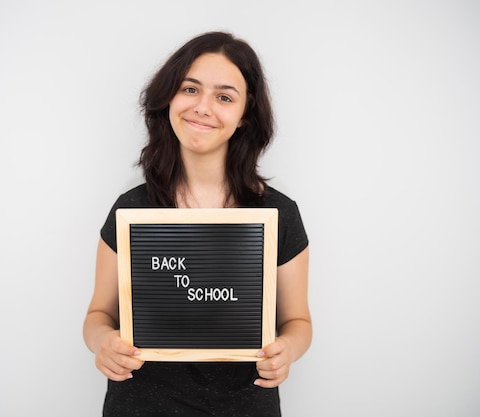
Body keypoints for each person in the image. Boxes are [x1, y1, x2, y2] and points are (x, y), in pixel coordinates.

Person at [83, 31, 311, 416]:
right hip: (141, 405)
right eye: (190, 89)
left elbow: (297, 321)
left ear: (244, 115)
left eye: (224, 97)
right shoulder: (132, 211)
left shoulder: (277, 215)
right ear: (169, 97)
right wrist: (103, 342)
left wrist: (287, 349)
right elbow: (98, 316)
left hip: (245, 404)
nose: (203, 107)